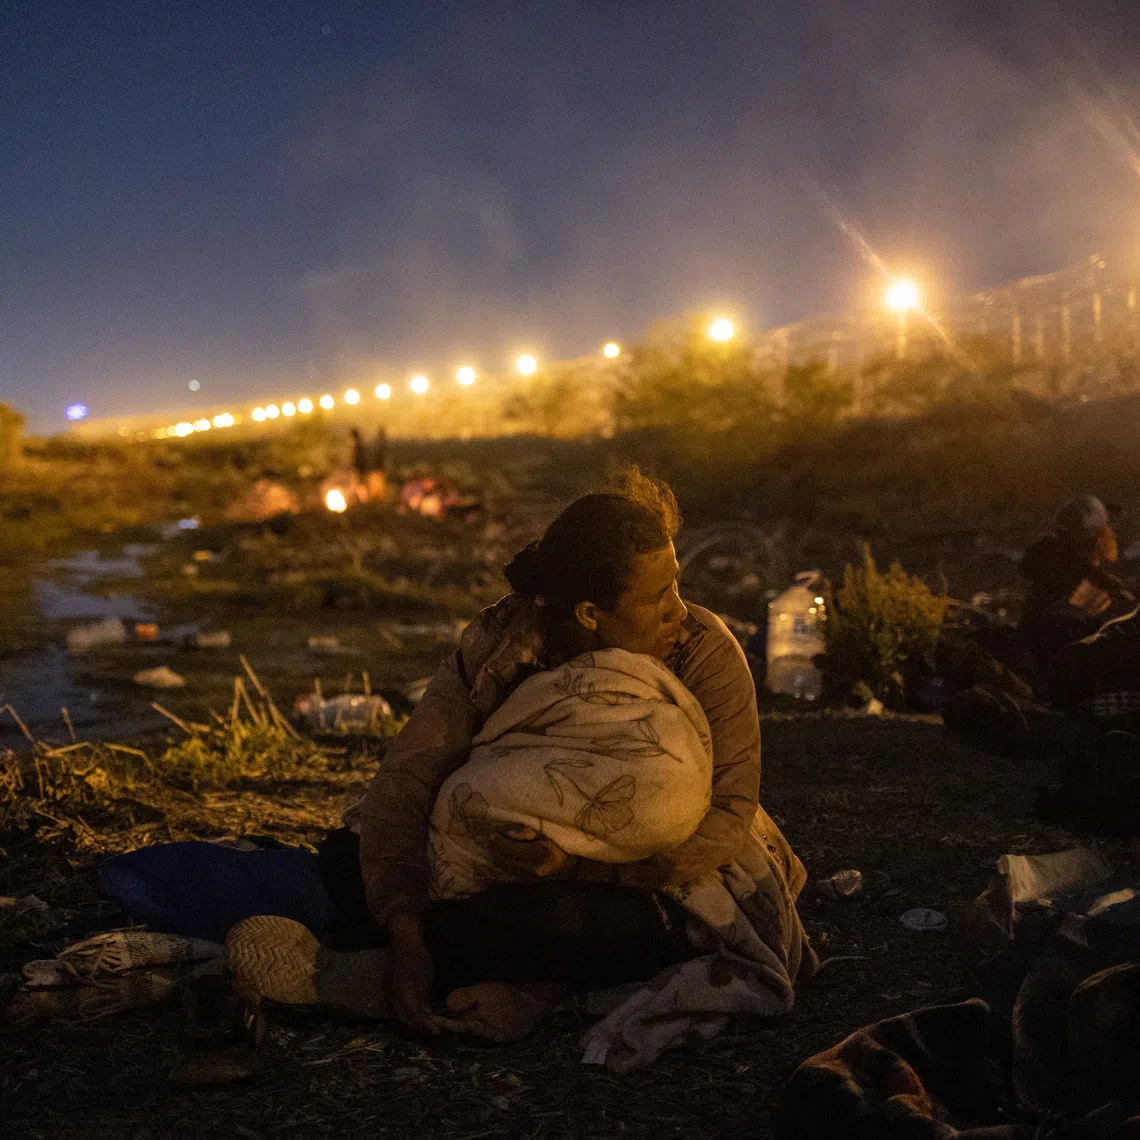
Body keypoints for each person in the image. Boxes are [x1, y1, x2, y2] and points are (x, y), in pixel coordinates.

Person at [332, 469, 810, 1043]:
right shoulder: (502, 648)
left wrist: (579, 865)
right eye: (658, 596)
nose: (679, 612)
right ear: (589, 614)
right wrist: (408, 937)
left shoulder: (704, 653)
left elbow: (726, 822)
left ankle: (520, 990)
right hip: (496, 866)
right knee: (351, 860)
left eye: (677, 585)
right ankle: (424, 964)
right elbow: (408, 780)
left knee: (571, 920)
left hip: (647, 882)